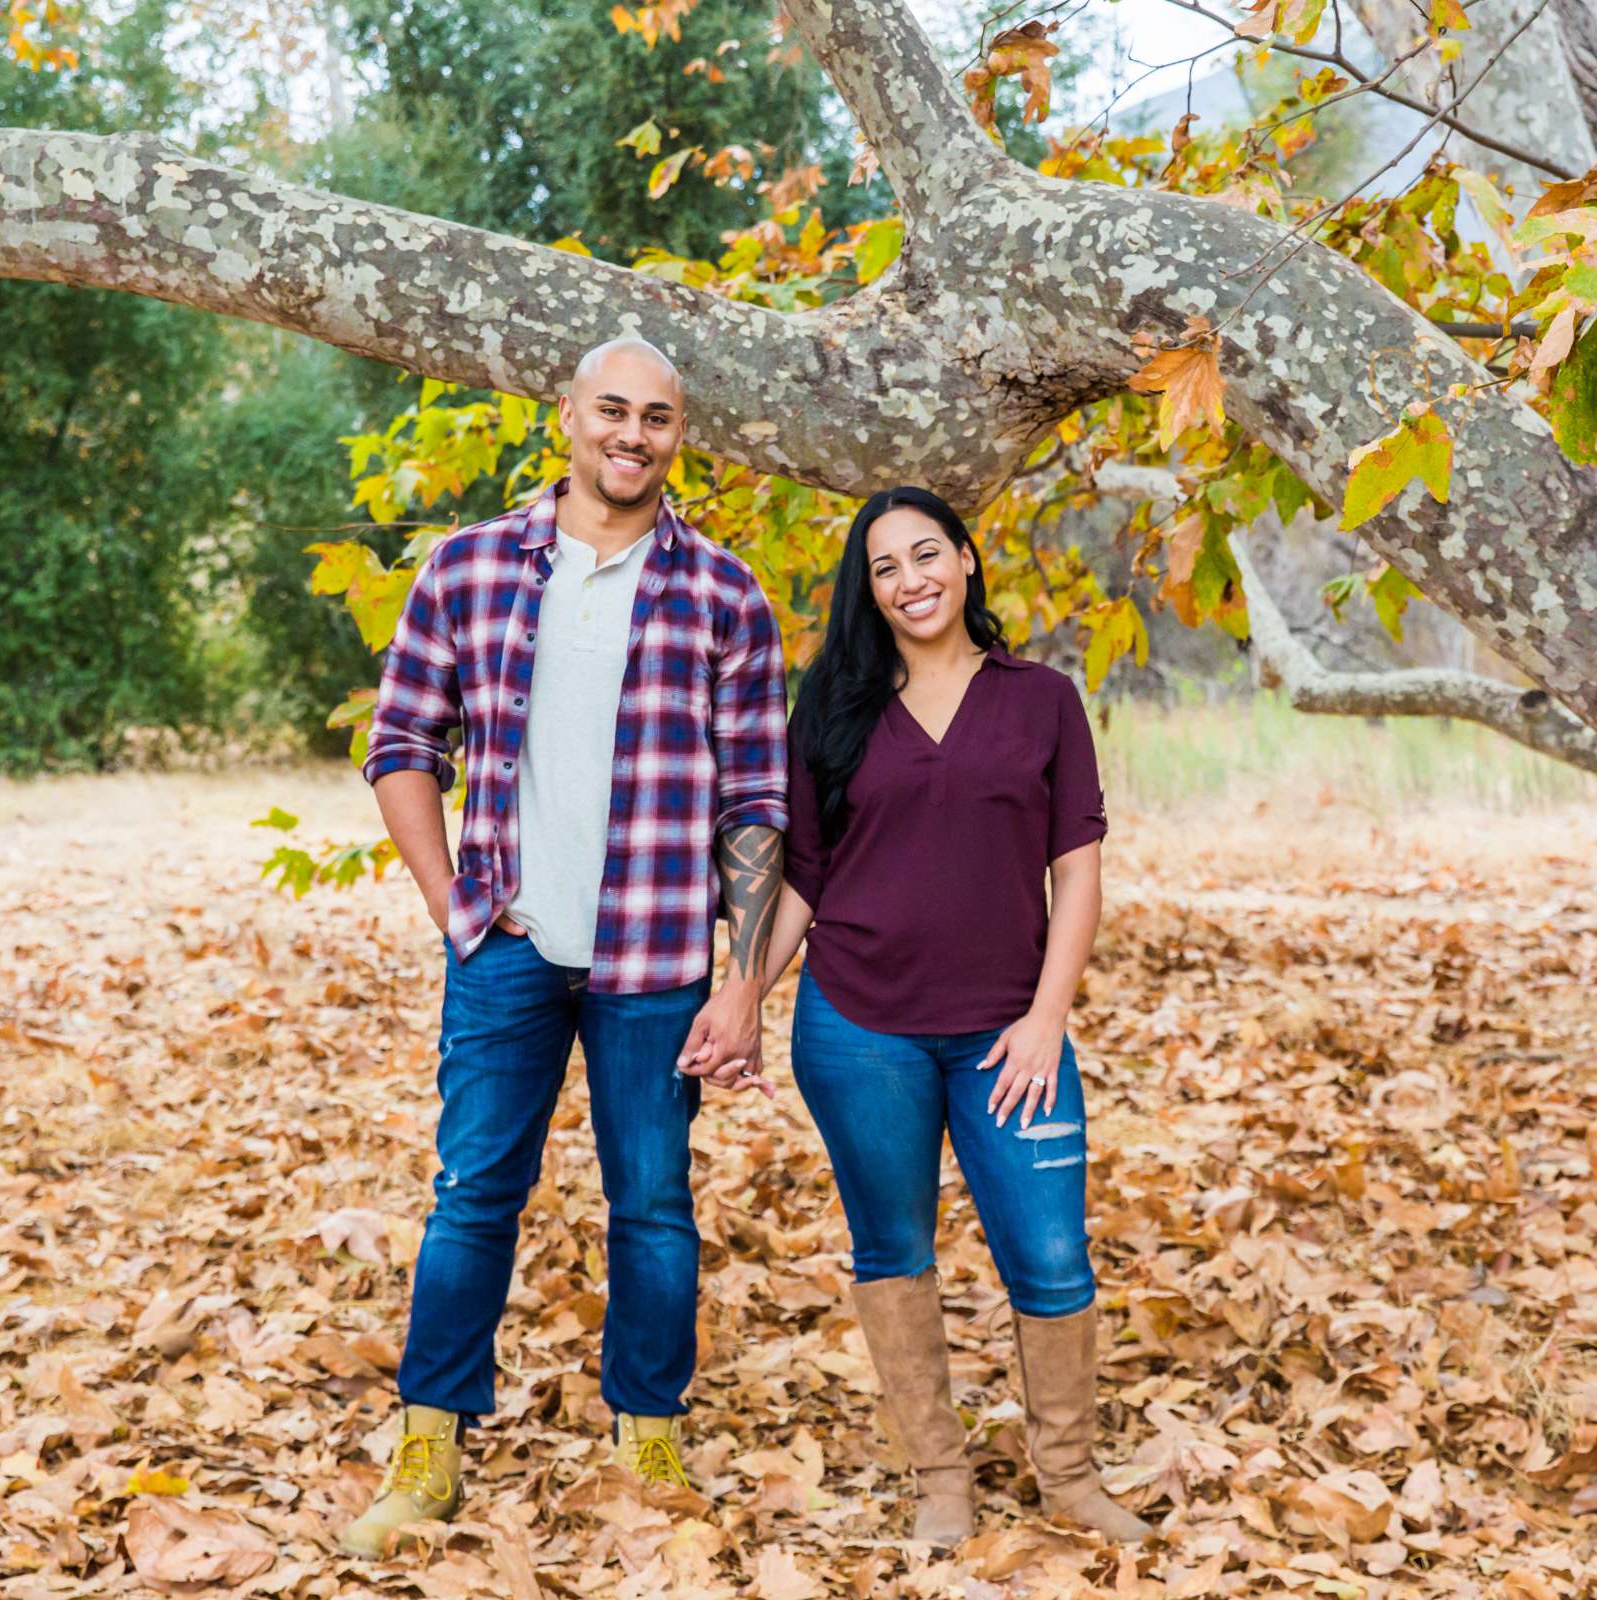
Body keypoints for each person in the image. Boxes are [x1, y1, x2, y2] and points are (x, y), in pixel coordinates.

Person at [339, 338, 787, 1558]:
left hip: (657, 959)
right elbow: (401, 744)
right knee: (475, 1191)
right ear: (568, 416)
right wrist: (452, 906)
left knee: (652, 1204)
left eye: (658, 417)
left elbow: (756, 800)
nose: (633, 435)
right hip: (511, 943)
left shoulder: (724, 593)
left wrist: (742, 980)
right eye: (613, 411)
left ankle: (647, 1426)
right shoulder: (473, 567)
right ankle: (431, 1430)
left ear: (678, 435)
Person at [727, 486, 1153, 1548]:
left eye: (928, 554)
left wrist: (1049, 1017)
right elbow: (803, 883)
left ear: (966, 561)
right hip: (859, 1026)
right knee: (893, 1248)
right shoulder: (829, 705)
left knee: (1052, 1257)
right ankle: (941, 1483)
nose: (911, 578)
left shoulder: (1041, 699)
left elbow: (1079, 869)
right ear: (866, 590)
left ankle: (1070, 1476)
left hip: (1011, 1031)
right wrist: (742, 998)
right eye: (885, 566)